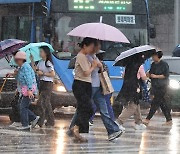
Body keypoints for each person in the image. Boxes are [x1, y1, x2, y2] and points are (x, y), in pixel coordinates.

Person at [70, 37, 98, 142]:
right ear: (85, 46)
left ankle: (77, 130)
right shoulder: (81, 56)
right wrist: (93, 66)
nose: (92, 50)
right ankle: (76, 127)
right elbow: (86, 72)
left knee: (84, 108)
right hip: (80, 84)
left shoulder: (86, 57)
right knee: (87, 107)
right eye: (91, 47)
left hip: (86, 84)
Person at [116, 54, 147, 130]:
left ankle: (138, 122)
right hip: (135, 87)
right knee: (132, 106)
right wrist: (148, 75)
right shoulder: (140, 66)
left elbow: (123, 76)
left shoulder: (128, 65)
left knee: (136, 104)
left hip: (126, 87)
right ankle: (119, 122)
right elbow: (143, 77)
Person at [143, 51, 172, 126]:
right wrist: (148, 74)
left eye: (154, 56)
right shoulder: (153, 64)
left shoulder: (164, 64)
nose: (153, 57)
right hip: (155, 85)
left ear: (158, 56)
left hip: (162, 86)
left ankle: (147, 119)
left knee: (155, 102)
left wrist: (156, 76)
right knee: (162, 103)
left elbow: (166, 75)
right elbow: (151, 73)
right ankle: (169, 119)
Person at [31, 46, 55, 127]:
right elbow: (36, 70)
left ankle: (40, 121)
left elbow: (52, 74)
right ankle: (50, 121)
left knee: (41, 102)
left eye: (41, 51)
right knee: (46, 103)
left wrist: (43, 74)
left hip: (48, 84)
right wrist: (32, 60)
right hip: (42, 83)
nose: (40, 53)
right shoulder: (41, 62)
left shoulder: (48, 63)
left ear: (46, 53)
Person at [14, 51, 39, 130]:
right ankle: (34, 118)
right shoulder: (21, 68)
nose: (16, 61)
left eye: (17, 60)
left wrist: (29, 90)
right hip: (25, 90)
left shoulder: (26, 67)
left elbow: (29, 79)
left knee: (23, 107)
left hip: (28, 91)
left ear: (21, 60)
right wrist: (14, 74)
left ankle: (26, 125)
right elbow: (20, 79)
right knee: (22, 107)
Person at [89, 50, 115, 126]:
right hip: (105, 87)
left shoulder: (97, 65)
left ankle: (89, 119)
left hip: (100, 88)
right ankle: (112, 121)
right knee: (106, 105)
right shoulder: (104, 65)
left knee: (95, 104)